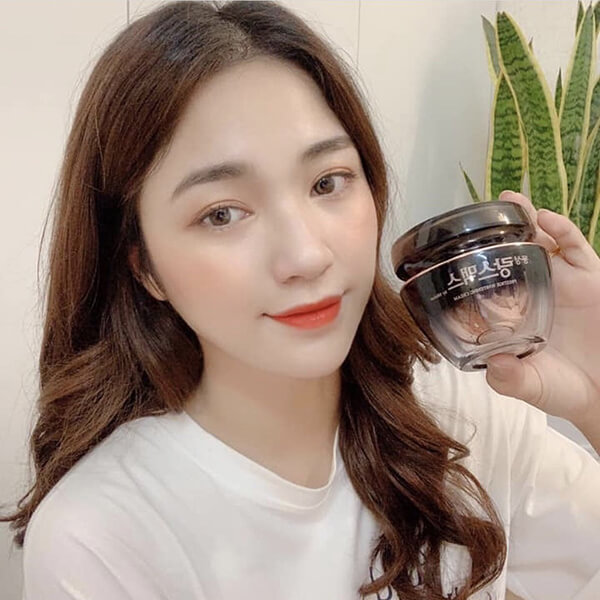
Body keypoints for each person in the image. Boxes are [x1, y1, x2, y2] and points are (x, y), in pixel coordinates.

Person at [1, 1, 599, 599]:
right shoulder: (104, 538)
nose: (307, 256)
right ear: (144, 267)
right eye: (222, 213)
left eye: (326, 182)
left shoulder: (459, 408)